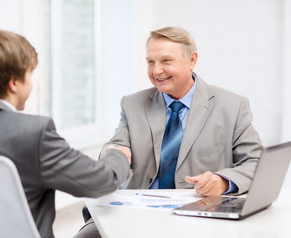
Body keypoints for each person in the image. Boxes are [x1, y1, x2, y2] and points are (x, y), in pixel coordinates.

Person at [0, 29, 131, 238]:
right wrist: (117, 154)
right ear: (14, 83)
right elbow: (101, 182)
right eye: (30, 74)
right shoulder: (34, 134)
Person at [77, 26, 263, 237]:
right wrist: (113, 152)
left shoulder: (232, 106)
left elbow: (255, 163)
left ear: (192, 60)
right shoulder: (132, 104)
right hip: (134, 213)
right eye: (150, 62)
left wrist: (223, 181)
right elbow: (116, 146)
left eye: (166, 61)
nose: (156, 71)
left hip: (199, 215)